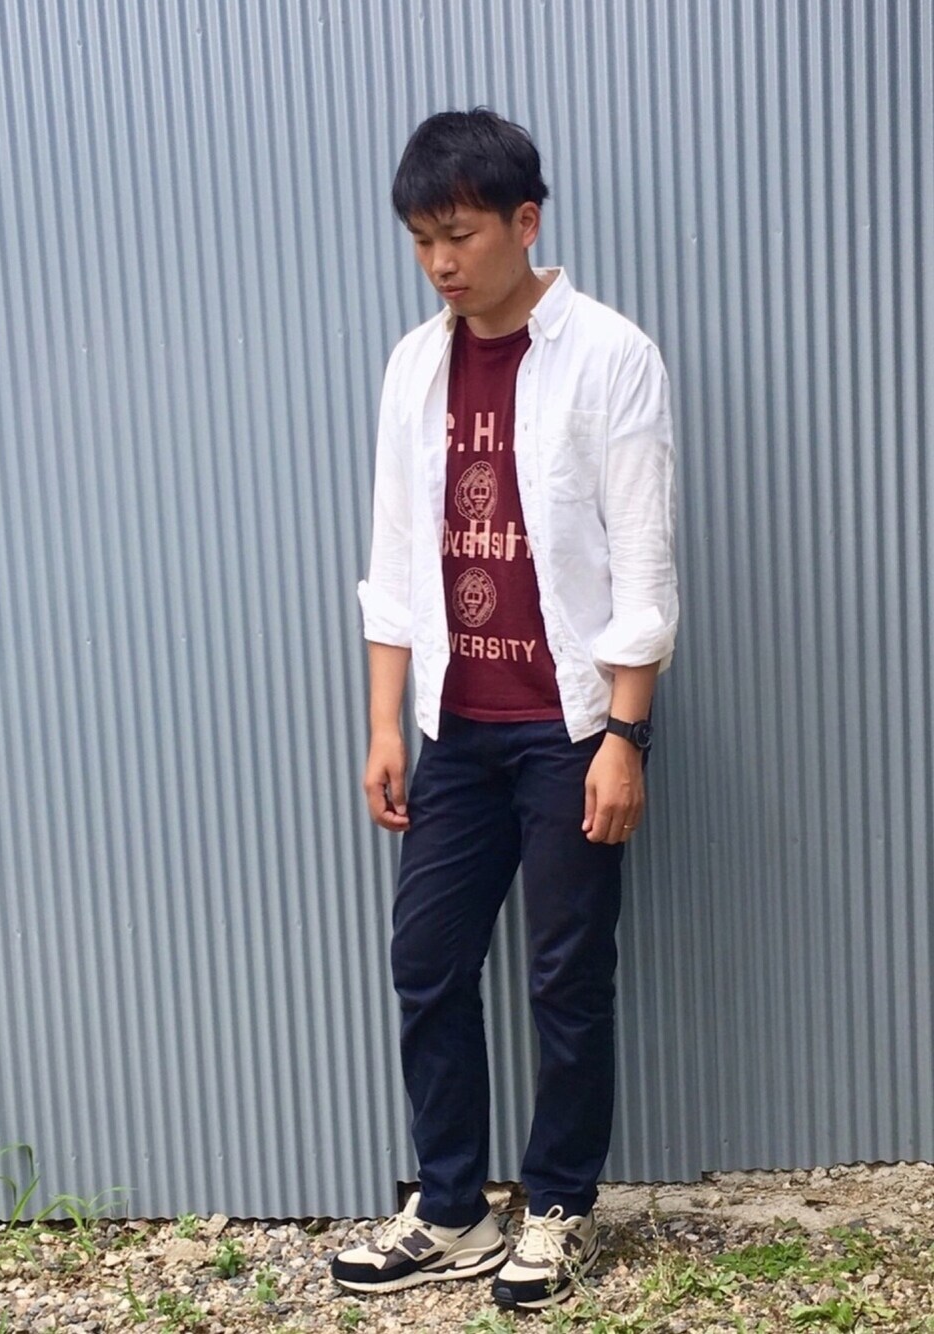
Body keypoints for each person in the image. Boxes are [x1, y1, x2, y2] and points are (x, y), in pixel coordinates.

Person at [331, 108, 678, 1311]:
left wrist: (624, 736)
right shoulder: (412, 366)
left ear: (525, 222)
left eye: (460, 234)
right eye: (421, 238)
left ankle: (561, 1204)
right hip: (454, 725)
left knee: (565, 976)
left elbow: (644, 569)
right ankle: (451, 1206)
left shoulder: (610, 356)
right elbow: (391, 557)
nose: (439, 260)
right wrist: (387, 724)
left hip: (571, 724)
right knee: (426, 961)